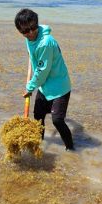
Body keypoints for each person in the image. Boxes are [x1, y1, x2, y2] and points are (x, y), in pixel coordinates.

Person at [16, 8, 75, 151]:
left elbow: (42, 71)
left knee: (57, 120)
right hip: (45, 86)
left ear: (37, 24)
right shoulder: (30, 39)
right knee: (38, 117)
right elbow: (33, 55)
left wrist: (30, 87)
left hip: (59, 87)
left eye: (32, 28)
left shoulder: (45, 42)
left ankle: (71, 149)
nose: (30, 33)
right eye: (25, 31)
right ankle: (38, 145)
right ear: (20, 31)